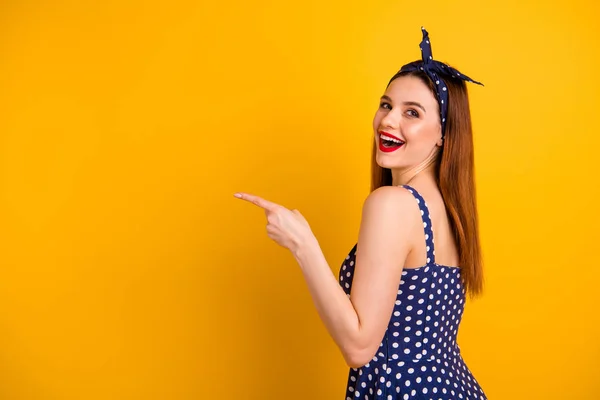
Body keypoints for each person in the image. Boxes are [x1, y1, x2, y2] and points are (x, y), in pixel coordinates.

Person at [235, 27, 487, 400]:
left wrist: (302, 243)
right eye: (386, 105)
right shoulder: (450, 210)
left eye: (412, 112)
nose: (388, 121)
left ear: (442, 134)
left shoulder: (392, 204)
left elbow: (359, 347)